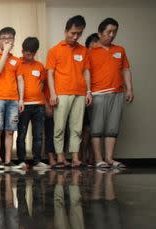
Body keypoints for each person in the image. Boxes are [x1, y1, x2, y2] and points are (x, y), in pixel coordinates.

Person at [46, 15, 92, 169]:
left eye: (79, 33)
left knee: (77, 127)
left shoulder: (84, 50)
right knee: (59, 126)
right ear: (66, 31)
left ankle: (75, 158)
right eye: (73, 33)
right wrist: (52, 93)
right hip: (61, 93)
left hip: (79, 92)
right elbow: (50, 73)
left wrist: (88, 91)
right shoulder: (54, 50)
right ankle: (60, 158)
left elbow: (86, 72)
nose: (75, 36)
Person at [88, 18, 134, 169]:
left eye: (114, 32)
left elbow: (125, 69)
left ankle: (109, 158)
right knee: (97, 128)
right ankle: (98, 159)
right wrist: (88, 92)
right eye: (109, 32)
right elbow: (85, 73)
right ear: (100, 33)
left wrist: (129, 89)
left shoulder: (119, 50)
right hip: (98, 94)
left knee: (112, 128)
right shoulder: (90, 52)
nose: (112, 35)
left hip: (118, 93)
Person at [0, 27, 24, 171]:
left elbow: (20, 80)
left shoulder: (17, 60)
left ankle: (8, 161)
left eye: (10, 38)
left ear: (14, 40)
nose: (7, 40)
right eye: (4, 37)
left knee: (10, 131)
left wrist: (21, 99)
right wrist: (4, 52)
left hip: (13, 100)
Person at [16, 37, 50, 170]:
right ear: (22, 50)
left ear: (36, 53)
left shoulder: (40, 66)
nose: (29, 56)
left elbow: (42, 85)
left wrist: (45, 103)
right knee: (22, 133)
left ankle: (37, 161)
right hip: (23, 105)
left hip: (39, 105)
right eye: (26, 53)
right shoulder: (17, 64)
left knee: (38, 134)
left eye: (32, 54)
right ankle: (21, 160)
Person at [80, 33, 100, 166]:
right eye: (95, 43)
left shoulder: (101, 58)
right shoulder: (84, 56)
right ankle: (82, 157)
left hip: (99, 95)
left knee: (96, 129)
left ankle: (94, 158)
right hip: (84, 96)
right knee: (85, 129)